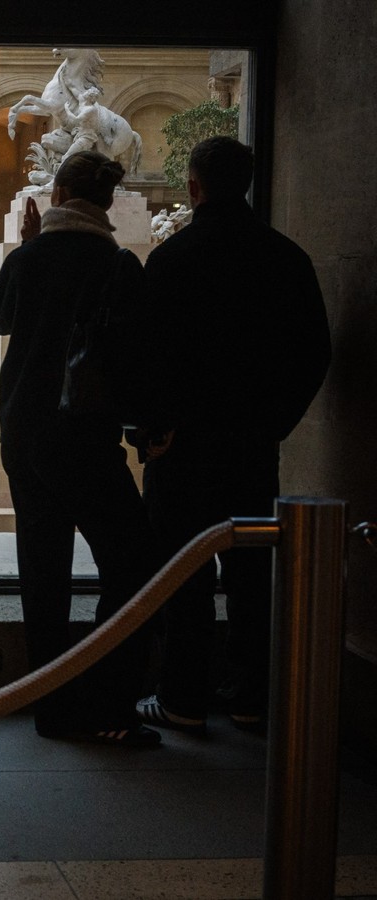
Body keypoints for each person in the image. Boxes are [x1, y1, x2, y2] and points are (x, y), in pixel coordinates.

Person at [133, 137, 331, 735]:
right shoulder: (286, 257)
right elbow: (314, 353)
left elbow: (146, 359)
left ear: (194, 187)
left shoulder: (172, 260)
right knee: (252, 578)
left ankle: (183, 699)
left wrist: (153, 431)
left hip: (185, 448)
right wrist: (274, 424)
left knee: (181, 575)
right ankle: (249, 697)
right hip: (250, 446)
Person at [0, 150, 160, 747]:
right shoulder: (116, 265)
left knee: (43, 572)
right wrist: (148, 426)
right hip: (82, 438)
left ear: (55, 194)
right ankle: (109, 700)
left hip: (25, 440)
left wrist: (23, 248)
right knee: (133, 565)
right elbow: (136, 361)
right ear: (106, 204)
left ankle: (53, 706)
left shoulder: (31, 257)